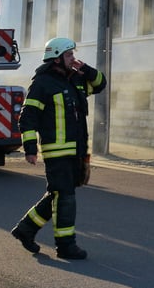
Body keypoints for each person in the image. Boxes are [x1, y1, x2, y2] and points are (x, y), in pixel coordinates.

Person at [11, 37, 106, 259]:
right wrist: (31, 148)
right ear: (57, 59)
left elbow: (100, 84)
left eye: (73, 54)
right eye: (69, 55)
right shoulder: (43, 83)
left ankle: (26, 229)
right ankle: (65, 245)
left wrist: (87, 69)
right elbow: (27, 117)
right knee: (65, 196)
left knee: (57, 194)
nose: (73, 58)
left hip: (77, 150)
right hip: (57, 151)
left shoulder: (76, 80)